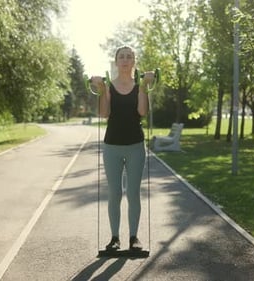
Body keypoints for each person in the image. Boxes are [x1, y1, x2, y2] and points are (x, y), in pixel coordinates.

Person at [91, 46, 155, 251]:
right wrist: (101, 90)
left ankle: (134, 238)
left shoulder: (140, 86)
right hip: (112, 147)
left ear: (134, 61)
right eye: (122, 57)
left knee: (133, 193)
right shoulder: (109, 87)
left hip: (135, 146)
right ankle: (115, 238)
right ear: (116, 61)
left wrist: (145, 86)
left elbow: (142, 111)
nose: (125, 60)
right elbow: (103, 114)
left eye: (129, 57)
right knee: (115, 193)